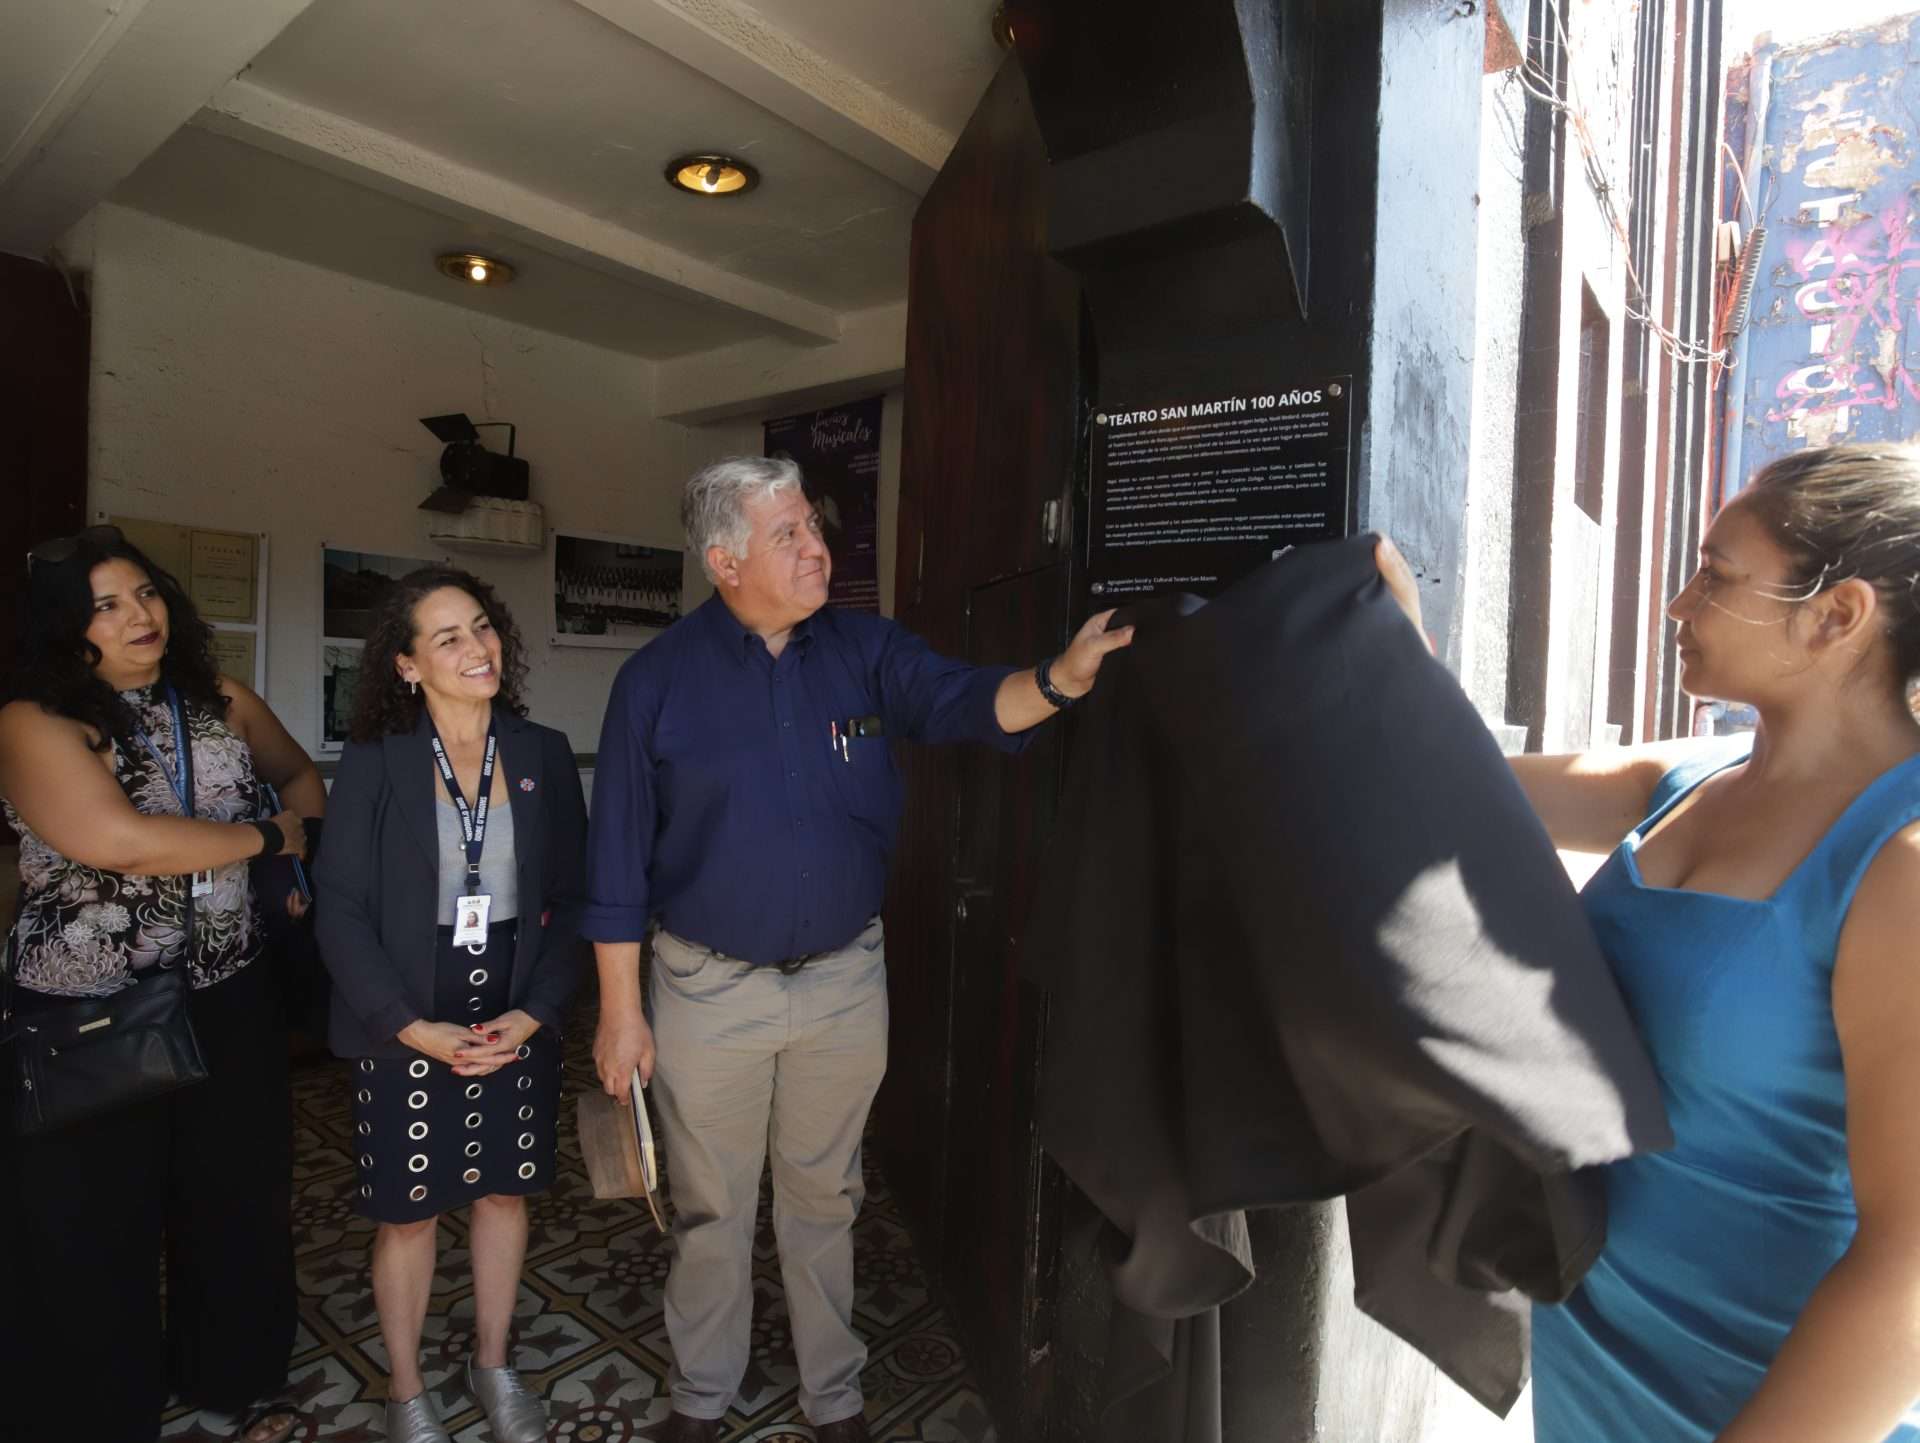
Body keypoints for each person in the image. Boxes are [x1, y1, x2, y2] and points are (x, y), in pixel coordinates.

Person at [586, 455, 1134, 1443]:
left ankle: (831, 1395)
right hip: (706, 991)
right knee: (713, 1210)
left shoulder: (866, 651)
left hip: (843, 984)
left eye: (812, 527)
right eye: (787, 534)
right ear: (724, 560)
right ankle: (701, 1394)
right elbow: (616, 864)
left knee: (824, 1197)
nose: (816, 549)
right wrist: (621, 1014)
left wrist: (1062, 678)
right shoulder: (655, 684)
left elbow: (973, 703)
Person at [1377, 444, 1920, 1441]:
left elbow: (1912, 1266)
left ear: (1837, 616)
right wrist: (1391, 647)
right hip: (1596, 1369)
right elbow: (1459, 782)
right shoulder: (1695, 777)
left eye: (1717, 575)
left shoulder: (1904, 862)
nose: (1678, 604)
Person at [0, 525, 318, 1443]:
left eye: (145, 593)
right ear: (65, 626)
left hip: (228, 987)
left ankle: (235, 1372)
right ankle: (96, 1405)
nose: (138, 614)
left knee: (238, 1196)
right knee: (94, 1214)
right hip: (91, 1004)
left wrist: (297, 854)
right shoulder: (35, 719)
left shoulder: (218, 698)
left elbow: (299, 775)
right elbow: (119, 839)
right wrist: (264, 839)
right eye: (105, 604)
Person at [314, 566, 586, 1443]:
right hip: (404, 1011)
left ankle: (493, 1363)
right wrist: (404, 1021)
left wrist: (537, 1011)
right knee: (409, 1211)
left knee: (504, 1196)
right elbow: (341, 904)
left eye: (482, 627)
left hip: (512, 1007)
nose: (477, 649)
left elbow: (575, 900)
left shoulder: (542, 752)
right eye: (448, 638)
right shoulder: (375, 761)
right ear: (405, 665)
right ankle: (405, 1390)